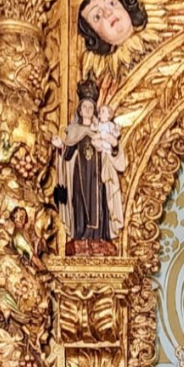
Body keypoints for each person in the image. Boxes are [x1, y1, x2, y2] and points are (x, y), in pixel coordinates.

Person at [53, 77, 126, 250]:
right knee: (79, 202)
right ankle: (80, 235)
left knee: (99, 201)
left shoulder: (99, 130)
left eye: (90, 107)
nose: (87, 110)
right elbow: (68, 154)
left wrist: (112, 146)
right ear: (79, 109)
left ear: (94, 110)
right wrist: (60, 147)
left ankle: (98, 237)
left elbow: (112, 150)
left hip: (97, 174)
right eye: (84, 106)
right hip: (80, 175)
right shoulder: (74, 131)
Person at [77, 0, 147, 57]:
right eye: (97, 16)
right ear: (93, 33)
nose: (108, 12)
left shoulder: (152, 37)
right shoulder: (108, 65)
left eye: (112, 3)